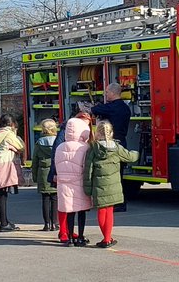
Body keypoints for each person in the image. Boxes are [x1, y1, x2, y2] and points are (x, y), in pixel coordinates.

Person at [84, 120, 139, 248]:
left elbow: (88, 170)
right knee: (109, 211)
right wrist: (137, 152)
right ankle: (107, 238)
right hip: (113, 186)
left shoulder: (93, 148)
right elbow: (130, 157)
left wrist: (87, 189)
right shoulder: (116, 147)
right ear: (111, 133)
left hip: (99, 186)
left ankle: (106, 238)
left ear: (97, 133)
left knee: (101, 211)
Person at [90, 84, 132, 212]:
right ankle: (121, 202)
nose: (105, 94)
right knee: (119, 175)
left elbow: (95, 109)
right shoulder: (125, 108)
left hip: (111, 144)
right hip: (122, 143)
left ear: (113, 93)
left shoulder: (111, 108)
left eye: (107, 92)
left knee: (109, 176)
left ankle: (115, 204)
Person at [54, 117, 93, 246]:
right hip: (79, 183)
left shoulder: (60, 147)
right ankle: (80, 237)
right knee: (81, 212)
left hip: (63, 183)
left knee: (69, 211)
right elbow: (86, 166)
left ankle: (70, 237)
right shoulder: (85, 147)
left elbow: (57, 165)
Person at [0, 114, 25, 232]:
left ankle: (4, 220)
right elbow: (21, 146)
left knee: (0, 194)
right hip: (5, 165)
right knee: (3, 195)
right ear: (12, 124)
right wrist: (15, 147)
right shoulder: (9, 134)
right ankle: (4, 223)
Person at [33, 119, 59, 231]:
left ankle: (47, 224)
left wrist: (35, 176)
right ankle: (55, 223)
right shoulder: (58, 142)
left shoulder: (39, 143)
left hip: (43, 172)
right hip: (55, 171)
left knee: (45, 199)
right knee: (55, 198)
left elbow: (35, 161)